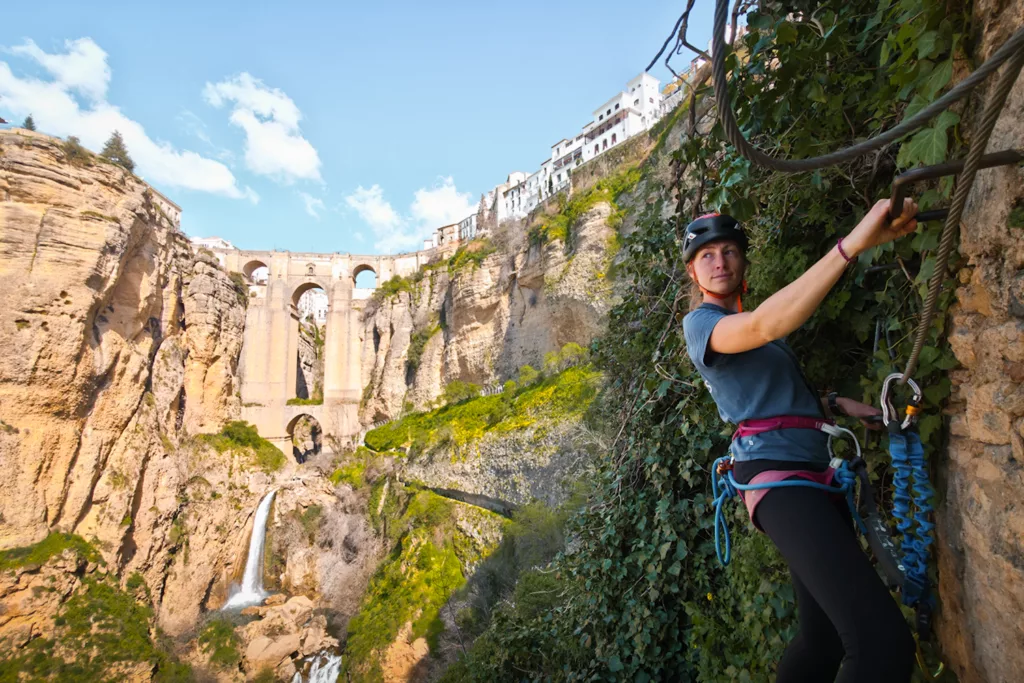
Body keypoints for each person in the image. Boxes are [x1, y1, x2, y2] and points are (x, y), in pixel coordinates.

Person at [681, 200, 920, 683]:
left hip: (807, 474)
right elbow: (766, 322)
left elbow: (769, 394)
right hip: (780, 480)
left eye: (729, 251)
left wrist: (836, 404)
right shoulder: (703, 326)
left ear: (743, 262)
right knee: (881, 645)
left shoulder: (761, 341)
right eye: (707, 255)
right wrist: (852, 245)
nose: (720, 261)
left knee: (824, 641)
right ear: (693, 272)